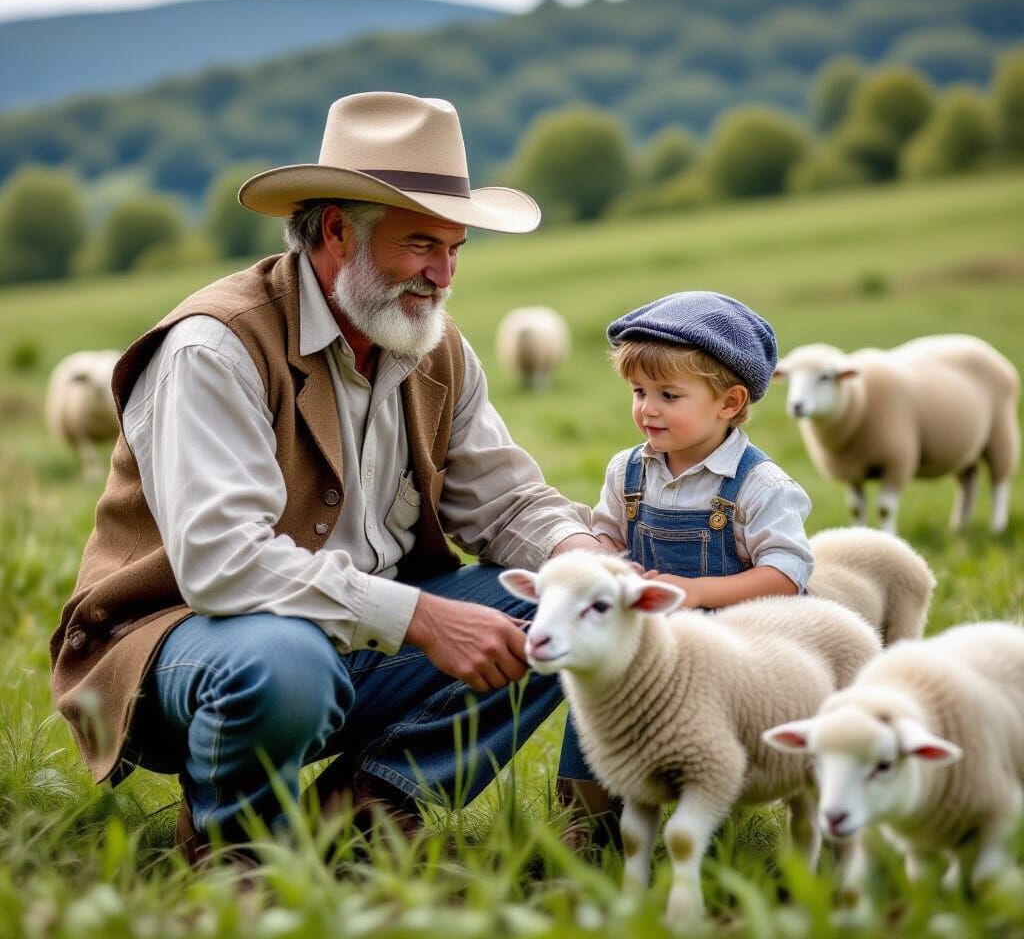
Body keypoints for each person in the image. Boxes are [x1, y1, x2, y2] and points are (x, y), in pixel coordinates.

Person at [49, 91, 611, 862]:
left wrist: (581, 556)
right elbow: (221, 564)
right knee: (285, 661)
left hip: (356, 635)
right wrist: (420, 617)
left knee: (569, 610)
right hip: (181, 644)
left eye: (455, 249)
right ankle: (234, 851)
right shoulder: (214, 348)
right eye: (420, 245)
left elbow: (506, 498)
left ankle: (362, 819)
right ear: (340, 231)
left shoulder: (433, 344)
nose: (442, 274)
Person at [591, 291, 814, 608]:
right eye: (639, 392)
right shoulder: (625, 473)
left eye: (668, 396)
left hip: (741, 639)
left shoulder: (759, 486)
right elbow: (607, 535)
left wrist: (697, 593)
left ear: (729, 402)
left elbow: (787, 575)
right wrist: (613, 564)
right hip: (656, 640)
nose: (648, 409)